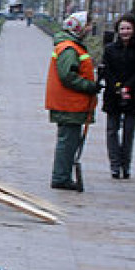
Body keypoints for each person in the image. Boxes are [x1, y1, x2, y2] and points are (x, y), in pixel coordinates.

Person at [46, 10, 100, 191]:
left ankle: (63, 175)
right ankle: (61, 177)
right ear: (78, 27)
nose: (90, 29)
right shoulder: (69, 48)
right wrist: (89, 86)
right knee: (68, 142)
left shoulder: (71, 46)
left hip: (71, 104)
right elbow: (67, 76)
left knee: (69, 141)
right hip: (69, 104)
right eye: (87, 25)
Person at [100, 13, 135, 179]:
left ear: (133, 30)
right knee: (112, 131)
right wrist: (118, 88)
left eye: (128, 28)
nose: (125, 32)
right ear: (117, 31)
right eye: (122, 29)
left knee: (129, 132)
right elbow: (107, 71)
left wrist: (128, 87)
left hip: (133, 95)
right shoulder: (110, 49)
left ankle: (126, 165)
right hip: (113, 94)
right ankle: (114, 165)